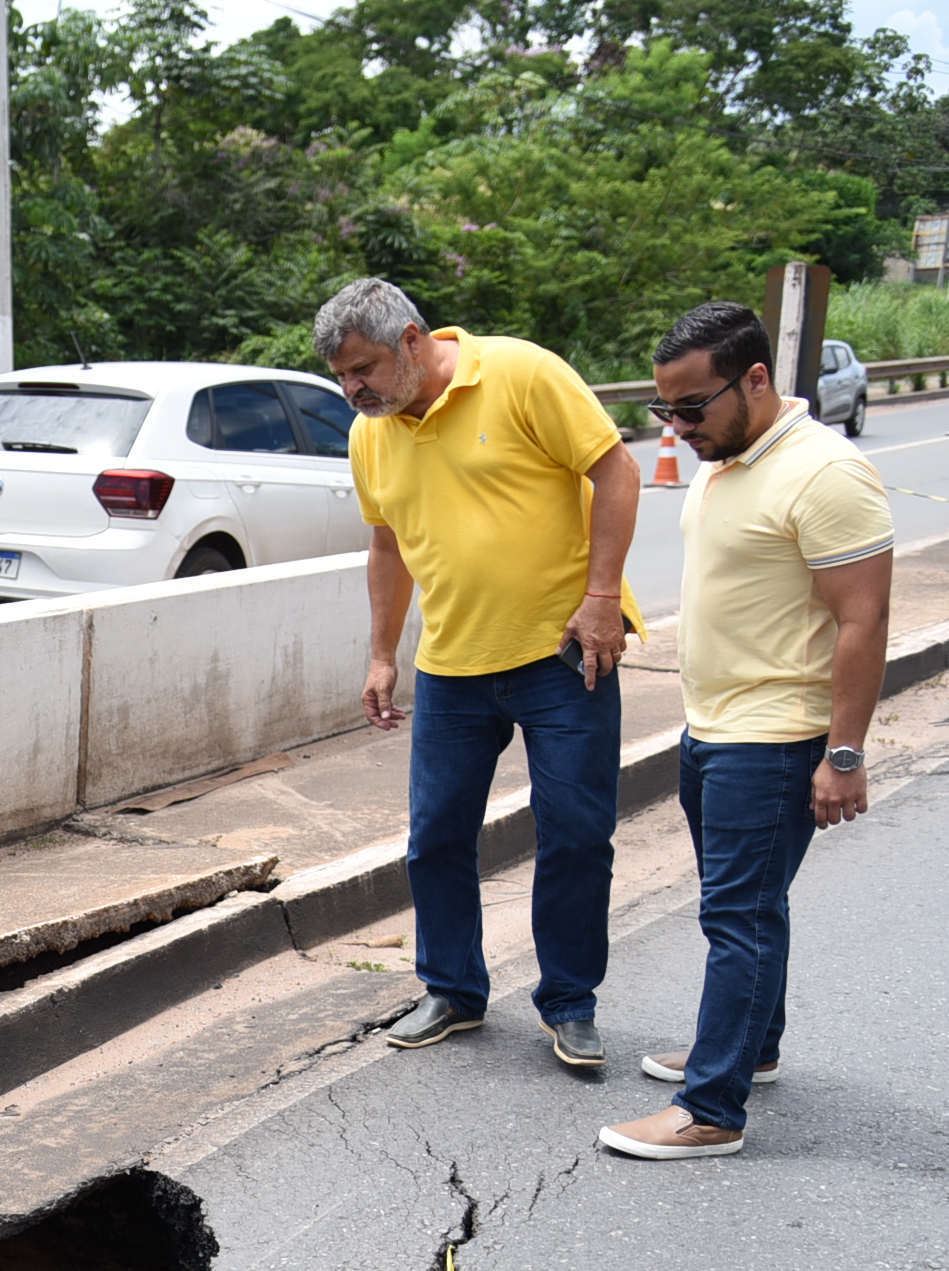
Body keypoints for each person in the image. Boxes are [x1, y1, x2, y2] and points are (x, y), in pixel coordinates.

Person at [314, 277, 646, 1070]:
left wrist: (603, 599)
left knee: (575, 835)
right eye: (341, 376)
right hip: (453, 665)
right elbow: (388, 543)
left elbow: (617, 472)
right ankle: (453, 990)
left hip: (562, 653)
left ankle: (569, 1002)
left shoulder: (522, 373)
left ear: (412, 341)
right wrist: (382, 654)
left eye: (362, 369)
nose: (352, 389)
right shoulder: (371, 433)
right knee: (436, 836)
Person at [600, 301, 891, 1161]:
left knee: (740, 918)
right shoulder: (725, 459)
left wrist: (844, 753)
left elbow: (864, 620)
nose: (677, 426)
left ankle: (711, 1107)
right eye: (665, 408)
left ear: (756, 379)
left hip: (774, 737)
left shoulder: (825, 473)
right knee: (748, 908)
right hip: (714, 729)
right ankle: (752, 1048)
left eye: (693, 407)